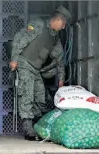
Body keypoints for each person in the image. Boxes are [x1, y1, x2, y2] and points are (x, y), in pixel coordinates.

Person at [10, 6, 71, 140]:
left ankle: (36, 124)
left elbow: (60, 59)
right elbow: (20, 39)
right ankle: (27, 128)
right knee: (27, 93)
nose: (63, 27)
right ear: (58, 20)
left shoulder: (55, 38)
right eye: (63, 24)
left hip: (35, 69)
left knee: (40, 97)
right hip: (25, 63)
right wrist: (14, 59)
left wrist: (61, 79)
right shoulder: (38, 25)